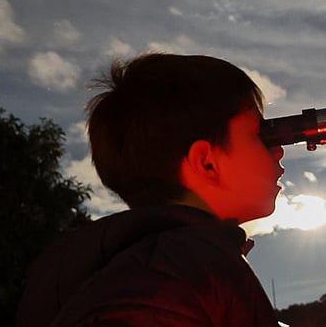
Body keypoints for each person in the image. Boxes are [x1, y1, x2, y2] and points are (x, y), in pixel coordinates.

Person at [16, 52, 286, 326]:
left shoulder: (135, 266)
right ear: (206, 163)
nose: (277, 151)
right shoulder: (180, 272)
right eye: (258, 135)